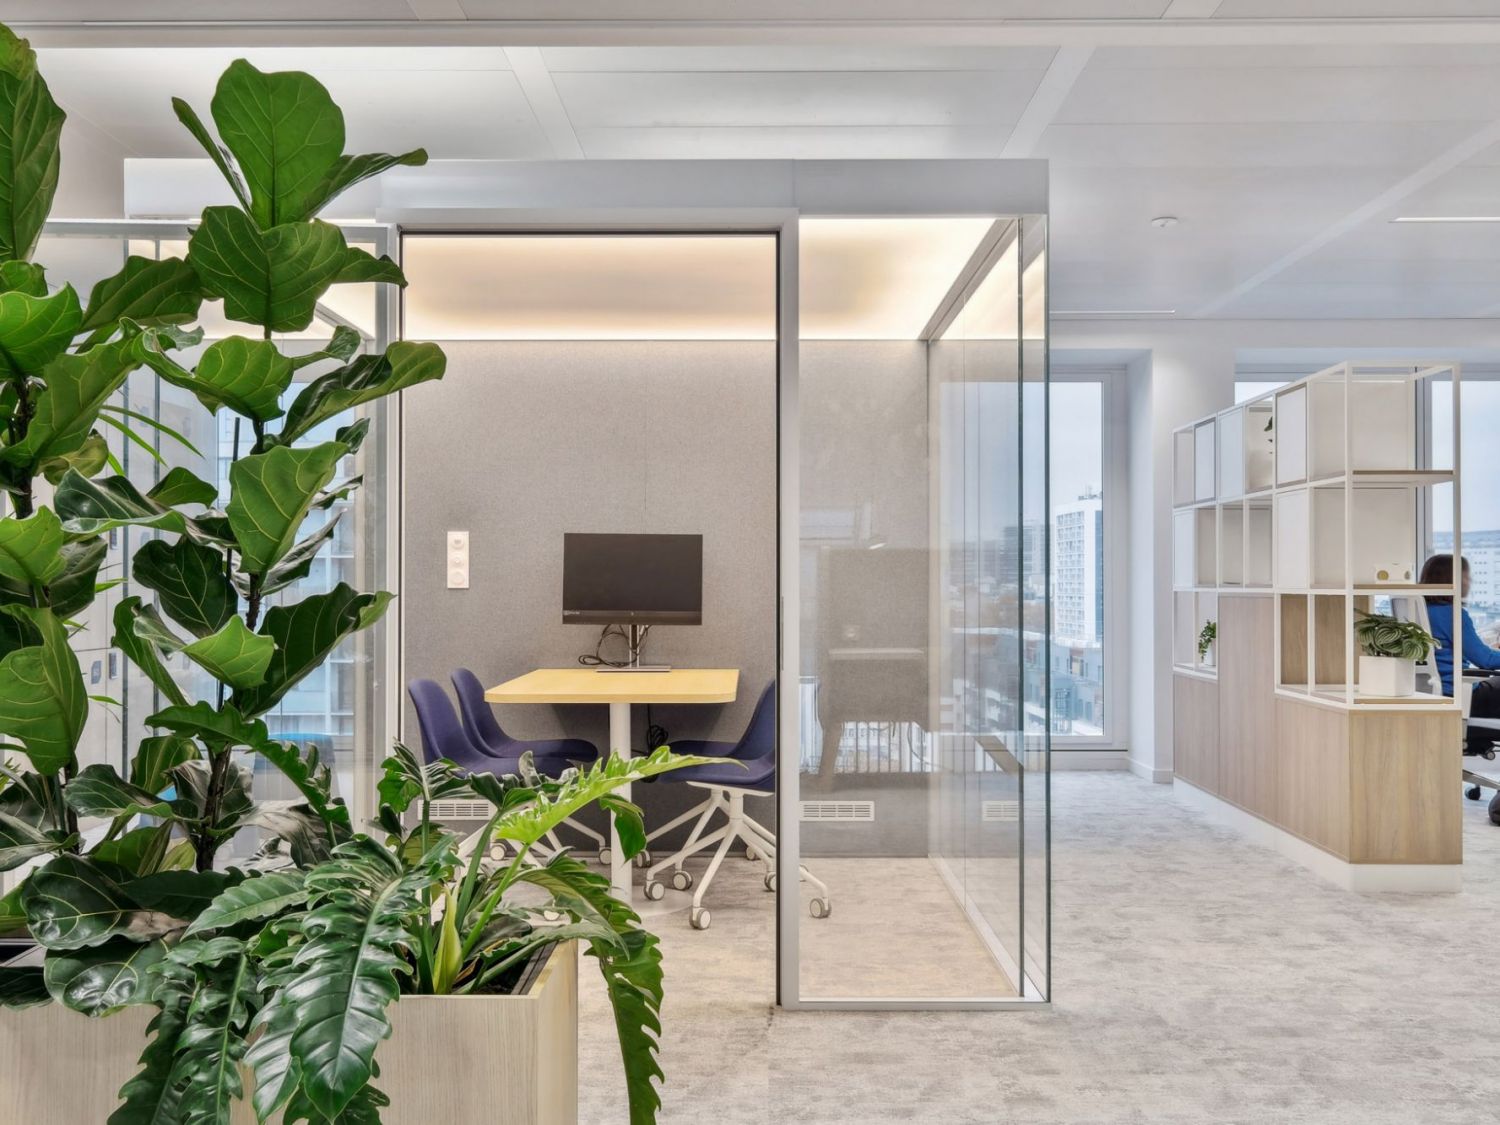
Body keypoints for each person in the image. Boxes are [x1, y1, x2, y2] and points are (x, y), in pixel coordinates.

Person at [1421, 553, 1500, 752]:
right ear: (1451, 579)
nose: (1469, 581)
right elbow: (1485, 660)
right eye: (1465, 576)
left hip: (1439, 693)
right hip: (1464, 696)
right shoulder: (1453, 613)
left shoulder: (1422, 610)